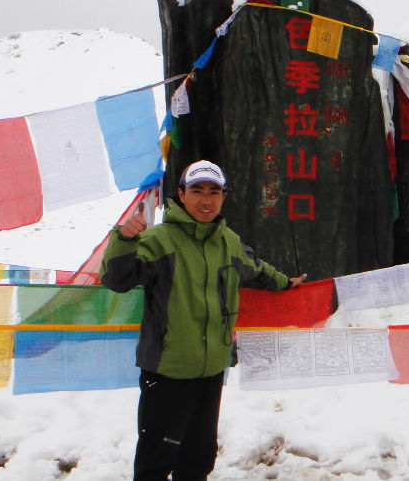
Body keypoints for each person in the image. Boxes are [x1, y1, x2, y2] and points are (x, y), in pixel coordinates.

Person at [101, 159, 307, 481]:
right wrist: (125, 240)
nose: (206, 199)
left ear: (224, 196)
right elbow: (117, 279)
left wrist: (285, 283)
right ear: (181, 194)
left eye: (214, 191)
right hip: (167, 371)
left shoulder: (229, 243)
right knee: (156, 462)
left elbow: (257, 271)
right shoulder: (159, 240)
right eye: (197, 191)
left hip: (211, 371)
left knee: (197, 461)